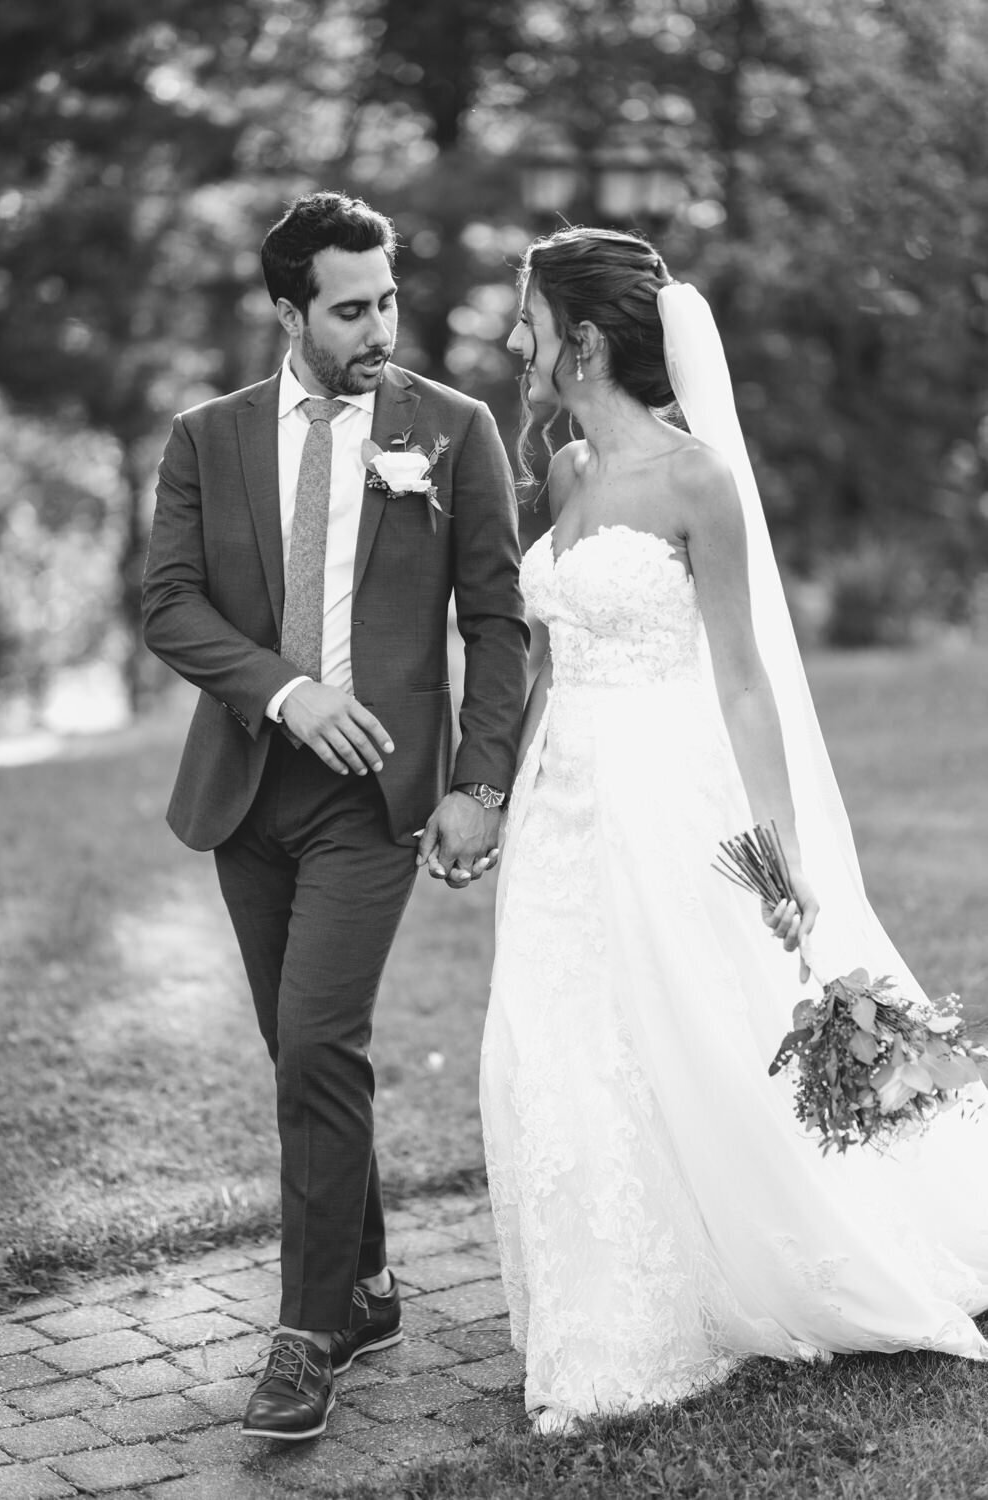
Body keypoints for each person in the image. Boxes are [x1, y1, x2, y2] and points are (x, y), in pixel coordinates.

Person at [480, 226, 988, 1433]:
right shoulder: (556, 473)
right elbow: (546, 660)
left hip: (667, 785)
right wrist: (501, 788)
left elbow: (748, 679)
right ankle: (606, 1296)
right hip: (565, 798)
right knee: (559, 1036)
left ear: (584, 340)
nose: (514, 339)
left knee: (691, 1026)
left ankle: (755, 1265)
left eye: (526, 319)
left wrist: (780, 843)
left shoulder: (696, 478)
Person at [142, 191, 528, 1441]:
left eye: (387, 302)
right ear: (287, 310)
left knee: (316, 1041)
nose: (378, 328)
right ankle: (362, 1285)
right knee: (299, 1051)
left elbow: (496, 621)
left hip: (376, 804)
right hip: (250, 789)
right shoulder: (207, 437)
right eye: (349, 308)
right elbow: (171, 607)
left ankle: (304, 1335)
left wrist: (478, 784)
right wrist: (288, 692)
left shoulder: (454, 431)